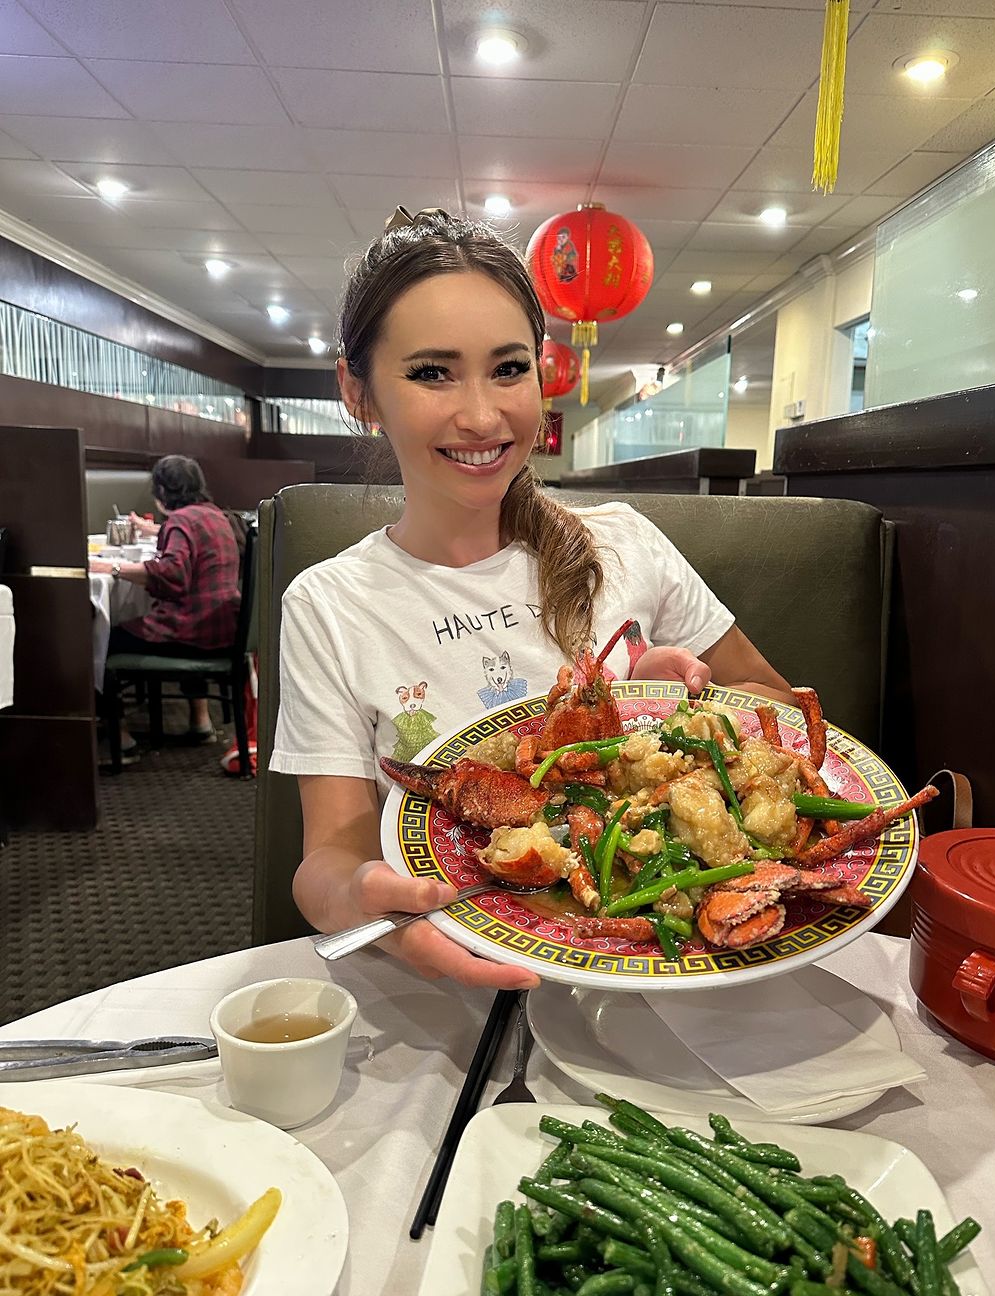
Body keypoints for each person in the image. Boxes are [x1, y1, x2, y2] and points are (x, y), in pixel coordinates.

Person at [269, 208, 794, 991]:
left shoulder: (625, 543)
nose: (483, 415)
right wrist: (365, 899)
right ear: (358, 392)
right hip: (456, 976)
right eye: (432, 372)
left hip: (679, 969)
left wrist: (677, 706)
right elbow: (328, 860)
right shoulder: (331, 604)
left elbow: (779, 705)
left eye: (509, 368)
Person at [90, 455, 240, 745]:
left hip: (193, 633)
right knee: (177, 613)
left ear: (161, 491)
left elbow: (172, 573)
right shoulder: (214, 515)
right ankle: (200, 720)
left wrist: (112, 568)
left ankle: (120, 737)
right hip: (225, 627)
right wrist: (155, 531)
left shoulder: (180, 521)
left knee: (104, 640)